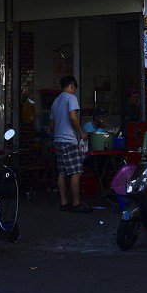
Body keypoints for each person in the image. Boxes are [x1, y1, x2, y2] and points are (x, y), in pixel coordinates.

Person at [49, 75, 91, 213]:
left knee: (62, 172)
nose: (74, 91)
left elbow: (51, 124)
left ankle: (63, 202)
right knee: (76, 172)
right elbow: (73, 117)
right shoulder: (71, 98)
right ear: (72, 85)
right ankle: (76, 203)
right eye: (74, 88)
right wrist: (82, 133)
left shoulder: (55, 101)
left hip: (58, 140)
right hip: (69, 140)